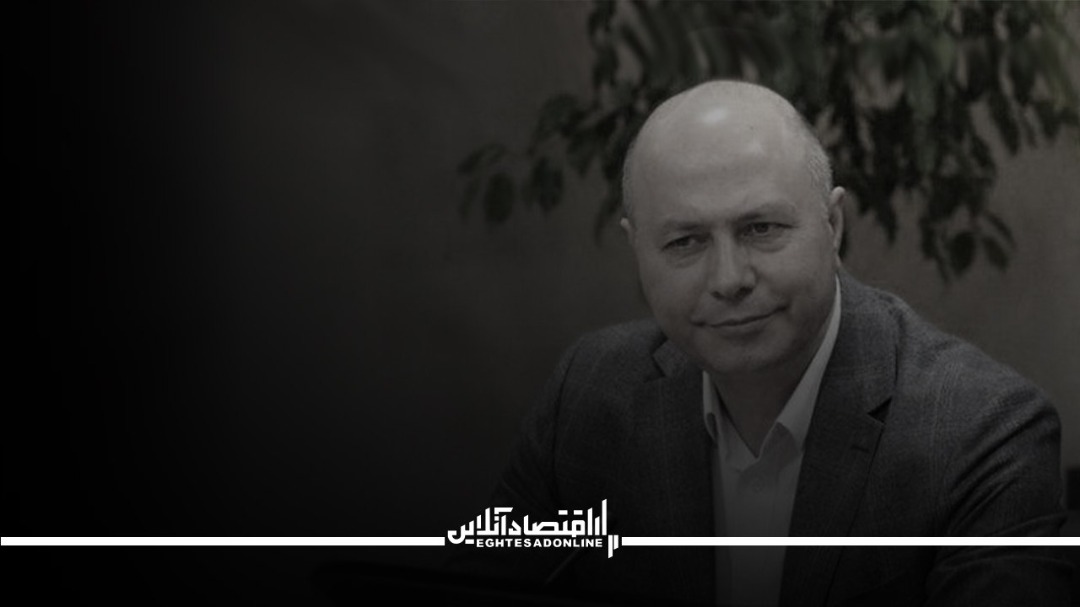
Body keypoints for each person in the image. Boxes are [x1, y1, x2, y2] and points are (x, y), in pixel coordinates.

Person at [448, 80, 1070, 606]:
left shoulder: (983, 433)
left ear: (832, 225)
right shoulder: (589, 392)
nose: (728, 280)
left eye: (761, 228)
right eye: (685, 242)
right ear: (636, 249)